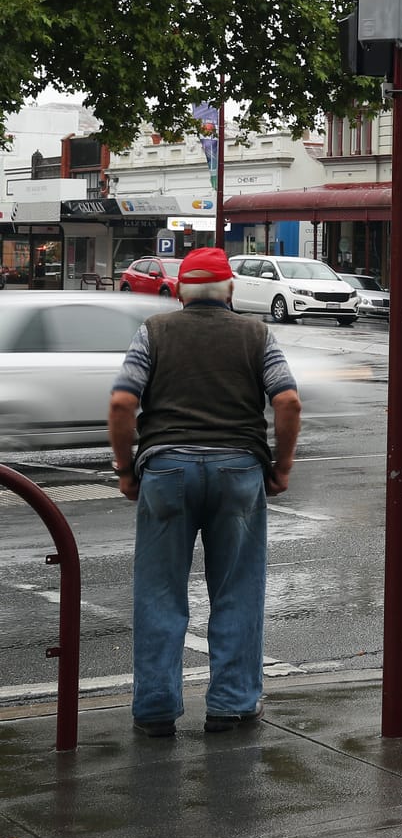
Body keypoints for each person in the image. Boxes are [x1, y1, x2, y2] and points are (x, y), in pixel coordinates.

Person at [105, 246, 302, 738]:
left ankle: (154, 709)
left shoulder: (154, 332)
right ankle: (231, 706)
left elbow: (122, 402)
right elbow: (289, 401)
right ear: (230, 290)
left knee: (159, 593)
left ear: (180, 292)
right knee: (237, 589)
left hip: (166, 471)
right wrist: (281, 466)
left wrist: (126, 469)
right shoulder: (257, 335)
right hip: (239, 471)